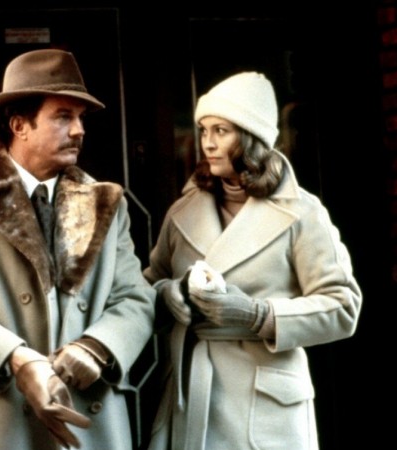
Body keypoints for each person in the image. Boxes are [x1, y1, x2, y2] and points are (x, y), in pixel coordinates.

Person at [0, 48, 155, 450]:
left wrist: (97, 347)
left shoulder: (108, 203)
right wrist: (18, 360)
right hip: (0, 416)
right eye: (63, 116)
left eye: (81, 118)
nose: (79, 130)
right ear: (20, 125)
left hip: (87, 413)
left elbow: (136, 297)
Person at [142, 71, 362, 450]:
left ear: (251, 137)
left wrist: (258, 315)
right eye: (204, 130)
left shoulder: (303, 212)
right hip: (193, 392)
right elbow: (144, 290)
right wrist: (167, 295)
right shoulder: (183, 211)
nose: (208, 143)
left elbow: (343, 307)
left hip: (266, 404)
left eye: (221, 131)